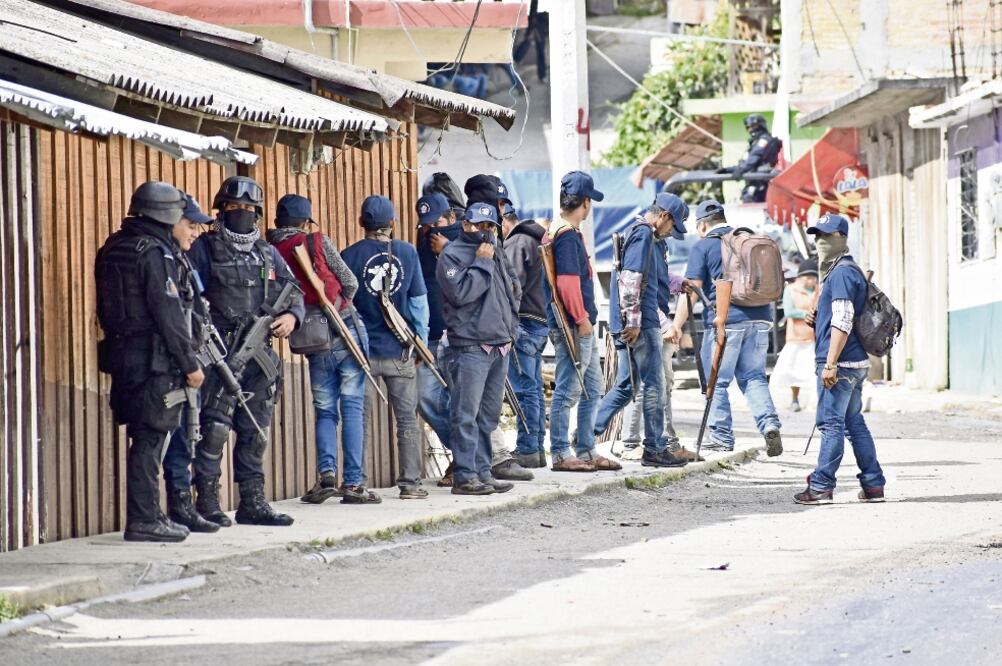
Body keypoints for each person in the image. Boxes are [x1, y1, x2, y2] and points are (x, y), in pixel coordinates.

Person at [188, 176, 304, 527]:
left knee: (255, 432)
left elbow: (293, 290)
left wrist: (290, 317)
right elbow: (189, 293)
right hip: (220, 354)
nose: (242, 214)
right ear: (221, 211)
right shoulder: (204, 249)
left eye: (249, 209)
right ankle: (207, 502)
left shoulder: (267, 253)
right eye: (234, 208)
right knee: (214, 430)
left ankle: (253, 503)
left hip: (259, 357)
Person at [95, 181, 203, 542]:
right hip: (153, 359)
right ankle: (144, 519)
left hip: (121, 355)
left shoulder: (114, 247)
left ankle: (149, 514)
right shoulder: (155, 253)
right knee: (150, 439)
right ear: (166, 214)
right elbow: (168, 313)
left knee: (142, 438)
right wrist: (189, 363)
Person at [267, 194, 371, 505]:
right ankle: (353, 485)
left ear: (277, 222)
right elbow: (350, 282)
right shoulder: (315, 241)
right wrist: (340, 300)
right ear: (304, 221)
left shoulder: (270, 251)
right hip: (346, 326)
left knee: (325, 410)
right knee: (351, 407)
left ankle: (327, 475)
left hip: (312, 335)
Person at [670, 199, 783, 456]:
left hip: (727, 322)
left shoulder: (704, 246)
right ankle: (769, 425)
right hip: (761, 318)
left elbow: (692, 291)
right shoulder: (748, 240)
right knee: (754, 377)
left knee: (717, 382)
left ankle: (721, 437)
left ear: (701, 226)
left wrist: (677, 325)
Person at [594, 193, 694, 467]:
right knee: (654, 386)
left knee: (626, 386)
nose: (672, 232)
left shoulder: (648, 238)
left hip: (635, 321)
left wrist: (676, 283)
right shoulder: (643, 236)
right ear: (664, 216)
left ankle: (584, 435)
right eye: (673, 226)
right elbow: (631, 280)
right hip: (642, 323)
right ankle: (654, 447)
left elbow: (651, 276)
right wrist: (635, 323)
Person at [341, 195, 429, 501]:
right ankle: (411, 484)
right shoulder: (406, 252)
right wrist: (421, 343)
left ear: (361, 222)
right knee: (407, 420)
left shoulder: (348, 256)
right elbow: (418, 304)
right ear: (392, 223)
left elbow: (342, 307)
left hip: (360, 354)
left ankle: (357, 482)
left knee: (357, 419)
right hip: (400, 352)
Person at [795, 214, 885, 505]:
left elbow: (844, 319)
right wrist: (817, 319)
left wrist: (831, 362)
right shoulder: (839, 271)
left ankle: (821, 486)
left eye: (827, 235)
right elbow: (840, 315)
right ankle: (873, 485)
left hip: (841, 364)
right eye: (817, 235)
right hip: (855, 362)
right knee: (853, 424)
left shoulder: (843, 272)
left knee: (830, 424)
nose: (821, 241)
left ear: (842, 239)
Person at [436, 203, 522, 495]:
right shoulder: (452, 254)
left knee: (488, 416)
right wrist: (482, 262)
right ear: (465, 225)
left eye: (489, 227)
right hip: (470, 346)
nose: (484, 232)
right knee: (465, 414)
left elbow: (513, 289)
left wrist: (512, 328)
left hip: (500, 344)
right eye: (478, 226)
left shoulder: (496, 252)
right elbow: (461, 294)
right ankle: (464, 476)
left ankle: (484, 473)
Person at [545, 171, 621, 472]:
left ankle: (587, 449)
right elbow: (566, 284)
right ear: (585, 202)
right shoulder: (566, 236)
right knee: (569, 390)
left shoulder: (560, 230)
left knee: (592, 388)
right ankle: (562, 453)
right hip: (575, 325)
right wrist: (581, 318)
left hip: (576, 323)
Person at [161, 193, 222, 534]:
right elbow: (169, 317)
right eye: (190, 224)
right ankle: (172, 508)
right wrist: (188, 363)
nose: (197, 231)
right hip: (169, 365)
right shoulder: (162, 257)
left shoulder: (180, 259)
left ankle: (181, 505)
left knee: (185, 435)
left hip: (184, 360)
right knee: (168, 439)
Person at [501, 204, 549, 469]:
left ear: (505, 222)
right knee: (534, 388)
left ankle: (528, 448)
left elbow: (511, 286)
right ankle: (537, 447)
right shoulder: (535, 239)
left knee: (524, 389)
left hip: (524, 323)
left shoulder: (517, 242)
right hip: (539, 321)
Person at [770, 258, 819, 412]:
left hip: (814, 337)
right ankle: (794, 399)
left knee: (813, 372)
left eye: (813, 277)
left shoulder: (819, 290)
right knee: (793, 372)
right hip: (796, 338)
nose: (810, 280)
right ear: (800, 277)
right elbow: (789, 311)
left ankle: (816, 402)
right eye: (807, 277)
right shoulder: (790, 290)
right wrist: (808, 314)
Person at [718, 114, 782, 203]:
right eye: (748, 127)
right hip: (754, 180)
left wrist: (740, 171)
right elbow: (746, 163)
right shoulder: (754, 142)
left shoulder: (765, 140)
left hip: (761, 182)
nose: (750, 129)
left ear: (761, 125)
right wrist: (728, 170)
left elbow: (753, 160)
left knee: (750, 200)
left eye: (753, 126)